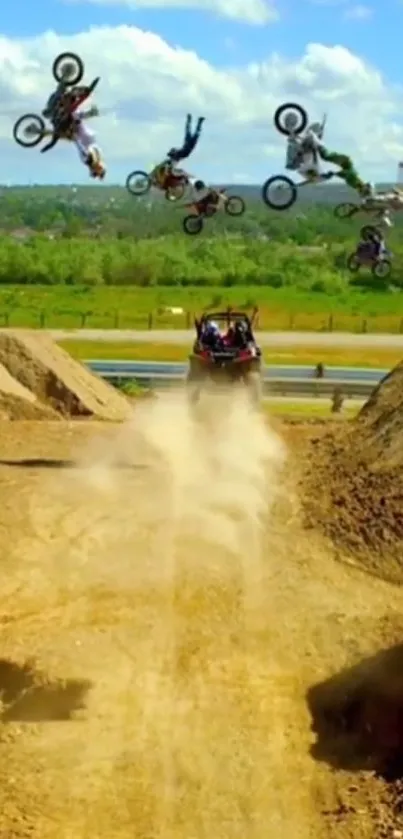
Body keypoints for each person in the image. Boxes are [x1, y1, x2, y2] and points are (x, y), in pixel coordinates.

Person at [290, 121, 372, 198]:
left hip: (342, 164)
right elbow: (348, 173)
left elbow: (342, 175)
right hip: (344, 161)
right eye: (362, 192)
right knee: (326, 156)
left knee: (321, 160)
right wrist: (332, 173)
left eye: (361, 193)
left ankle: (312, 145)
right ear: (364, 188)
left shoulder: (355, 185)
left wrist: (328, 175)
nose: (359, 193)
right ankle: (314, 139)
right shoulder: (356, 180)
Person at [40, 106, 105, 179]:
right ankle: (90, 113)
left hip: (84, 137)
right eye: (101, 170)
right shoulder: (94, 160)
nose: (101, 168)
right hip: (84, 137)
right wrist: (75, 138)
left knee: (62, 133)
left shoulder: (90, 161)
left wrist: (75, 138)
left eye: (99, 171)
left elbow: (82, 149)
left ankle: (42, 132)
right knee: (75, 116)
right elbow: (82, 148)